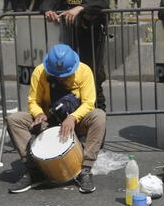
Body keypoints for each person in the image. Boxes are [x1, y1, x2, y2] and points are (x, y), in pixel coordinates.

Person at [6, 44, 106, 194]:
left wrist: (73, 117)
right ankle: (34, 171)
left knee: (99, 115)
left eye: (65, 75)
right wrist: (38, 113)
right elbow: (33, 101)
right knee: (14, 119)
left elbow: (89, 103)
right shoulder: (39, 72)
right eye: (57, 75)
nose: (61, 78)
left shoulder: (84, 71)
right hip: (49, 119)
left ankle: (85, 169)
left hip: (76, 121)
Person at [40, 0, 110, 110]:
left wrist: (81, 8)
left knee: (92, 75)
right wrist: (48, 9)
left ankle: (97, 115)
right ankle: (68, 110)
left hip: (92, 35)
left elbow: (103, 1)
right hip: (68, 35)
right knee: (66, 75)